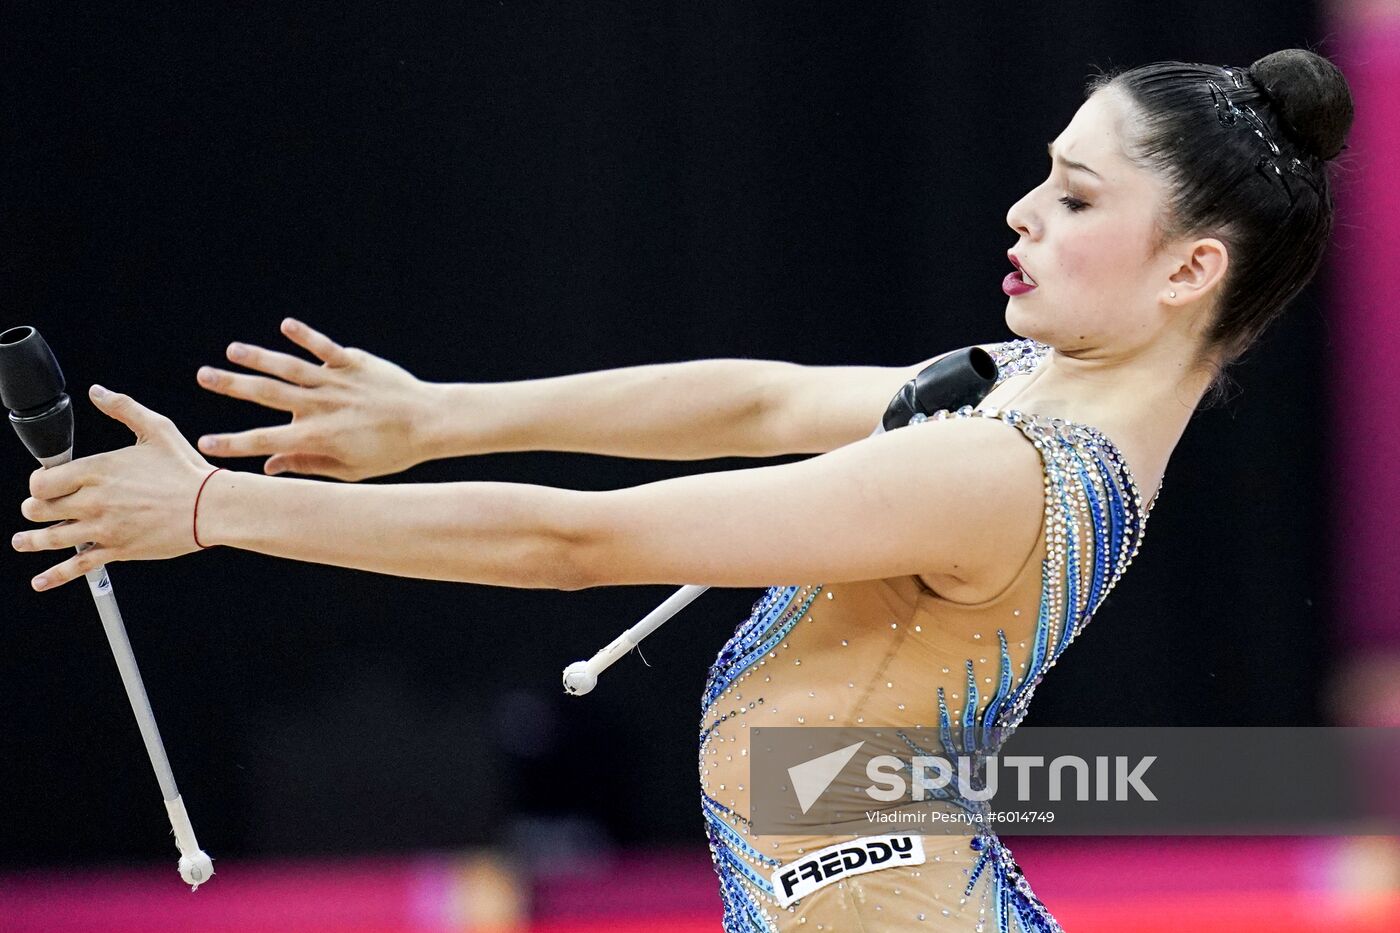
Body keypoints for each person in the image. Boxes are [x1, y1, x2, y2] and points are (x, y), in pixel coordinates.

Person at [12, 48, 1354, 931]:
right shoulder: (1019, 389)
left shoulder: (1000, 469)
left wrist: (214, 511)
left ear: (1188, 271)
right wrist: (439, 417)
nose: (1021, 212)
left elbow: (574, 541)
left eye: (1072, 197)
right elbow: (760, 399)